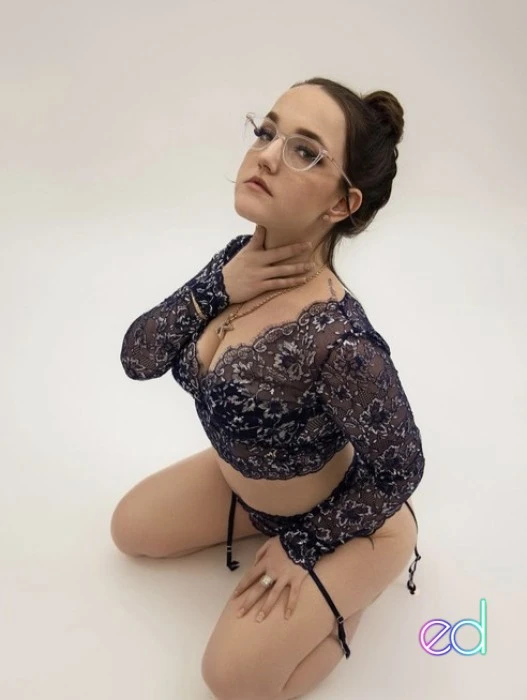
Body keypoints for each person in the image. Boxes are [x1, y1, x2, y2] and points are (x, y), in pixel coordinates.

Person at [112, 77, 425, 696]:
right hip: (245, 488)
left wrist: (304, 544)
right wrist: (217, 287)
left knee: (231, 680)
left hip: (346, 518)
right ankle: (278, 532)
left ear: (342, 204)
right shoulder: (237, 261)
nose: (267, 155)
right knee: (130, 530)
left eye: (305, 150)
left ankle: (361, 580)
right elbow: (137, 358)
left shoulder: (340, 338)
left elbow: (402, 467)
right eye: (267, 132)